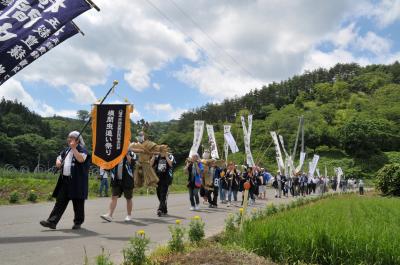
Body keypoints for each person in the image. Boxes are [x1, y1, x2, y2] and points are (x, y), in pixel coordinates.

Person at [40, 131, 90, 230]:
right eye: (68, 137)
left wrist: (74, 148)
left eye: (71, 138)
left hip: (77, 182)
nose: (69, 139)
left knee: (78, 202)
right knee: (60, 201)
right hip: (65, 180)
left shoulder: (82, 150)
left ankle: (78, 223)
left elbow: (81, 159)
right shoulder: (66, 150)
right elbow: (59, 157)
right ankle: (52, 222)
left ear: (77, 140)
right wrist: (58, 162)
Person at [100, 151, 136, 222]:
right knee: (114, 197)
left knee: (128, 198)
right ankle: (109, 215)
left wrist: (127, 154)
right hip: (116, 179)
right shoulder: (115, 153)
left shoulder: (131, 153)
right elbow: (109, 166)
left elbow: (132, 163)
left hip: (127, 180)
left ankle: (129, 215)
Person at [151, 150, 175, 216]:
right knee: (159, 194)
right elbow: (150, 164)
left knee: (163, 195)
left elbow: (171, 164)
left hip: (166, 179)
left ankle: (160, 209)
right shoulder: (157, 157)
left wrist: (166, 156)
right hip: (158, 179)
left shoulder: (170, 156)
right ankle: (164, 209)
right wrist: (153, 156)